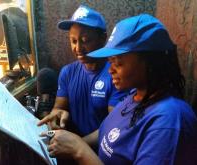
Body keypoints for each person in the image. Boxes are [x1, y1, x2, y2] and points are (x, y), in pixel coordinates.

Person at [42, 14, 197, 165]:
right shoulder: (135, 96)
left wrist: (78, 149)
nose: (111, 70)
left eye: (118, 62)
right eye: (110, 61)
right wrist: (69, 142)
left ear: (150, 63)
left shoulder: (169, 123)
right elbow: (106, 133)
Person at [38, 5, 127, 147]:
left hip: (102, 154)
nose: (78, 48)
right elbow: (59, 107)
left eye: (85, 40)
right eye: (73, 41)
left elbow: (114, 127)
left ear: (103, 38)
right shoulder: (67, 72)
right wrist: (57, 115)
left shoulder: (115, 75)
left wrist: (76, 145)